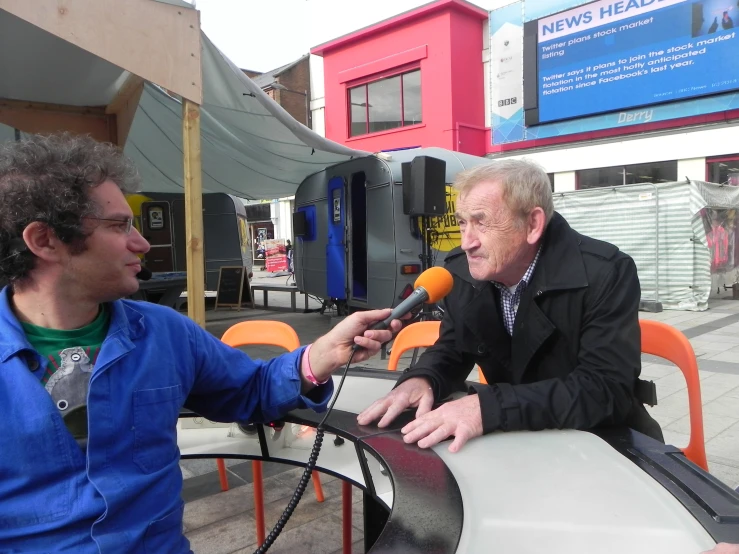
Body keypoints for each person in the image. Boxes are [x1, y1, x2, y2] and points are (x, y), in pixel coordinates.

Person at [0, 133, 402, 552]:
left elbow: (249, 389)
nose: (142, 243)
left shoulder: (165, 332)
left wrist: (321, 355)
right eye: (119, 226)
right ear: (44, 240)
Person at [358, 159, 662, 453]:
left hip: (602, 443)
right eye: (462, 223)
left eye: (482, 222)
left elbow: (604, 391)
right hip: (516, 440)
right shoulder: (462, 272)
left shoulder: (606, 272)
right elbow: (453, 348)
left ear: (532, 224)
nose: (466, 242)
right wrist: (422, 379)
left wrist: (486, 408)